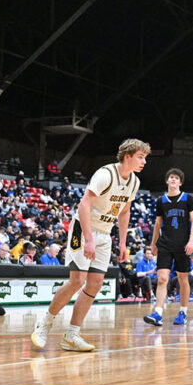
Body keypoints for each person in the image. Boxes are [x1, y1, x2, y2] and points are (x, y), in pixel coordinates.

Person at [30, 139, 149, 351]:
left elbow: (125, 211)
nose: (144, 161)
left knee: (94, 284)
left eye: (145, 157)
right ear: (128, 156)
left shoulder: (134, 182)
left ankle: (71, 336)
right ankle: (44, 323)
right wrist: (89, 239)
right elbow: (84, 205)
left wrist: (122, 242)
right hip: (82, 228)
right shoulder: (105, 174)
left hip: (105, 231)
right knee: (77, 280)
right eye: (141, 156)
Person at [143, 168, 193, 326]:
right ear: (167, 181)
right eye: (171, 178)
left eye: (176, 178)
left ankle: (183, 312)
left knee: (183, 279)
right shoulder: (161, 201)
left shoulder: (188, 199)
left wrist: (191, 241)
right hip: (165, 244)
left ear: (180, 182)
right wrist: (153, 243)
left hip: (182, 245)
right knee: (162, 279)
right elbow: (158, 224)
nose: (173, 180)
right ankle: (158, 313)